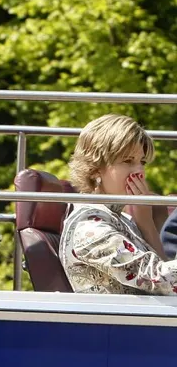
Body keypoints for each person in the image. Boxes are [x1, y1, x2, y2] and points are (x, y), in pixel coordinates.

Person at [59, 114, 177, 295]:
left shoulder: (122, 219)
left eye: (142, 162)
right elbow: (161, 281)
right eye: (128, 161)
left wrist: (146, 225)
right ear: (95, 168)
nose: (139, 171)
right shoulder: (89, 227)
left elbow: (164, 277)